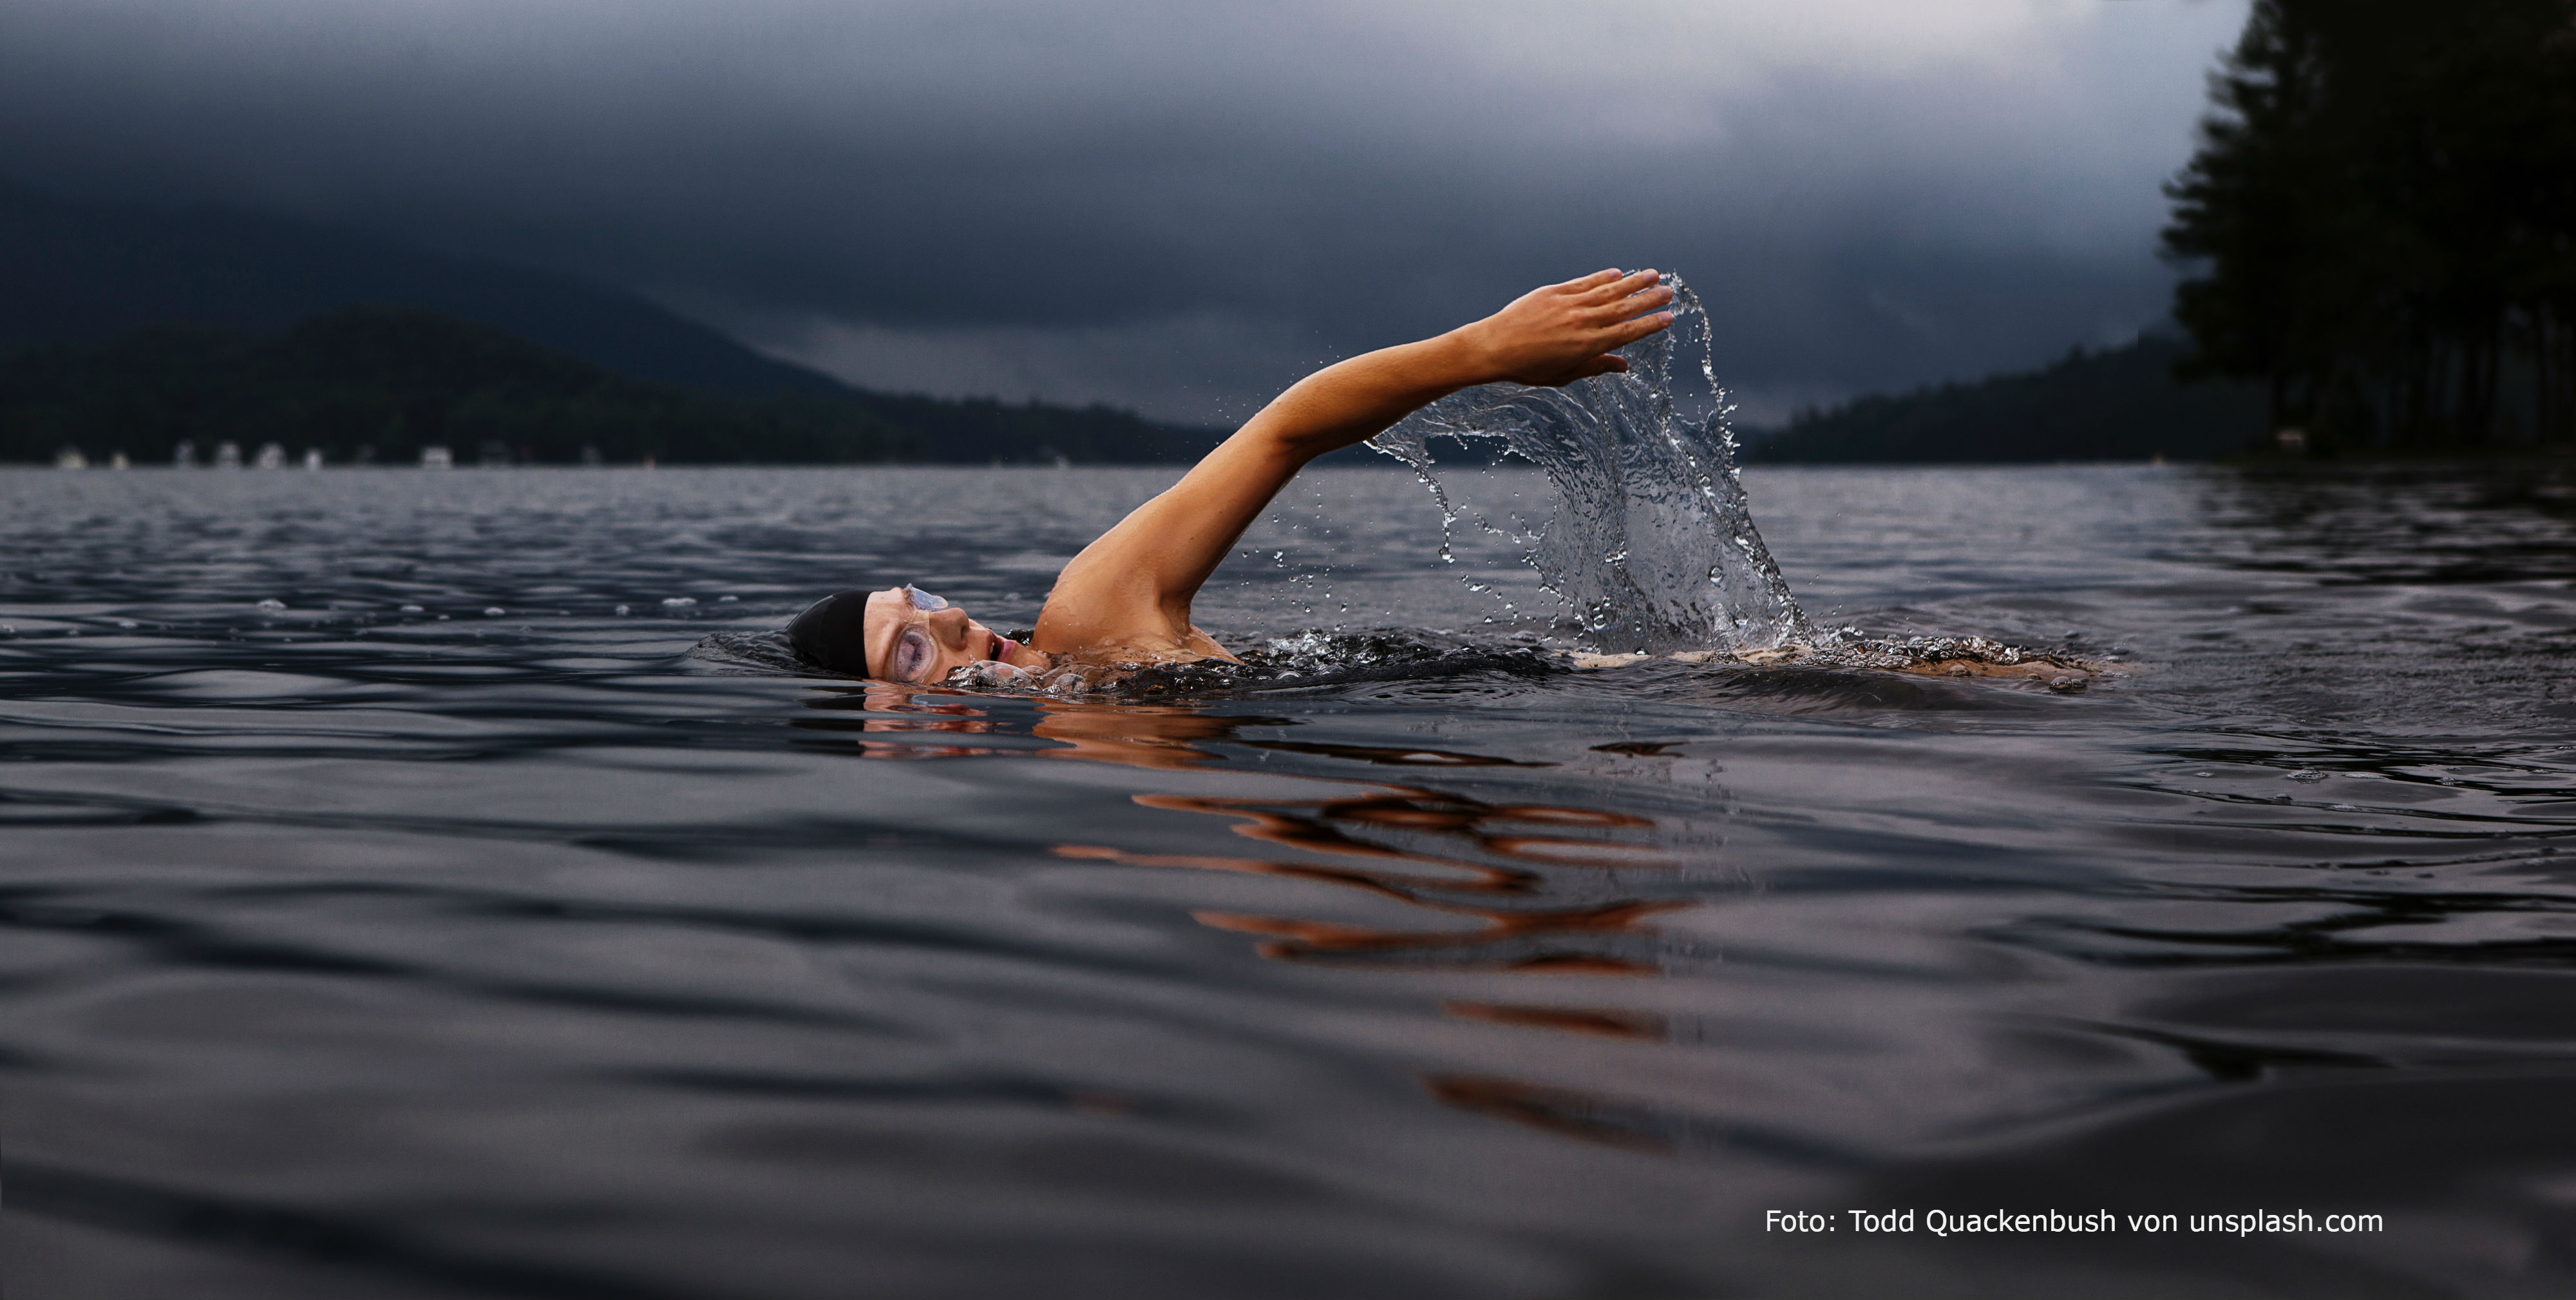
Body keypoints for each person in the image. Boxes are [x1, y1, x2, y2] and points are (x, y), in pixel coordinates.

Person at [787, 268, 1677, 685]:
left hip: (1616, 683)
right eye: (912, 650)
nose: (950, 619)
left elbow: (1284, 432)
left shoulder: (1090, 618)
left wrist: (1483, 350)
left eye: (921, 601)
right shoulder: (1077, 769)